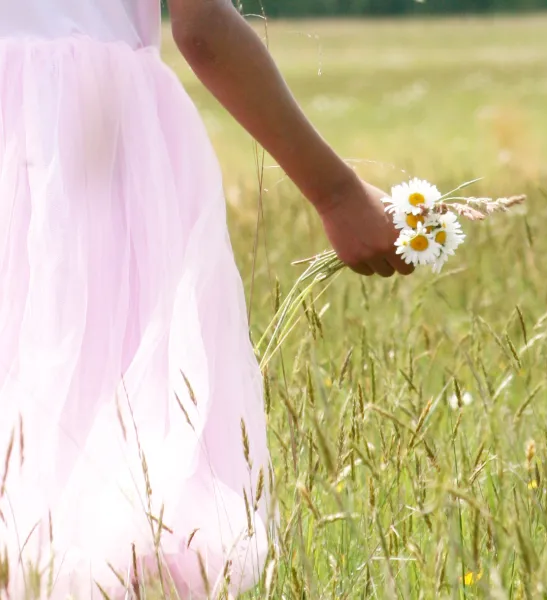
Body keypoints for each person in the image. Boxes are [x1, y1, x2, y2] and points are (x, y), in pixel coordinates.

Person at [0, 0, 412, 597]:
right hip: (87, 131)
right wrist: (335, 192)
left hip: (69, 122)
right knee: (98, 422)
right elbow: (205, 31)